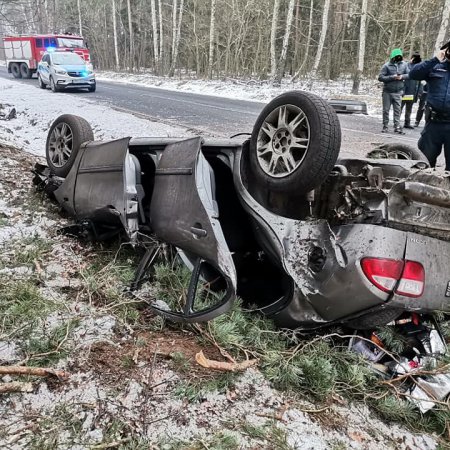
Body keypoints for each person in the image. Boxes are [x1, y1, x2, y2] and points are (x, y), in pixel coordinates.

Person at [409, 42, 450, 170]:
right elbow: (413, 74)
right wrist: (435, 59)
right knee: (423, 164)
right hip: (433, 124)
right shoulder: (435, 66)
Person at [378, 48, 410, 134]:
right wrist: (392, 77)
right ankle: (385, 126)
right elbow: (380, 77)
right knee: (386, 110)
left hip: (398, 91)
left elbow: (409, 75)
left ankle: (397, 126)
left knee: (397, 110)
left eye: (400, 56)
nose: (398, 58)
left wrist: (401, 77)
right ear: (393, 57)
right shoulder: (386, 66)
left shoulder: (404, 65)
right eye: (396, 56)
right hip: (387, 91)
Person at [401, 52, 422, 129]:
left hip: (413, 91)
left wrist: (420, 91)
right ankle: (396, 122)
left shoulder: (419, 67)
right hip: (405, 90)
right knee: (400, 107)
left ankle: (407, 122)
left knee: (409, 108)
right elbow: (402, 77)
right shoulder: (406, 65)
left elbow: (421, 81)